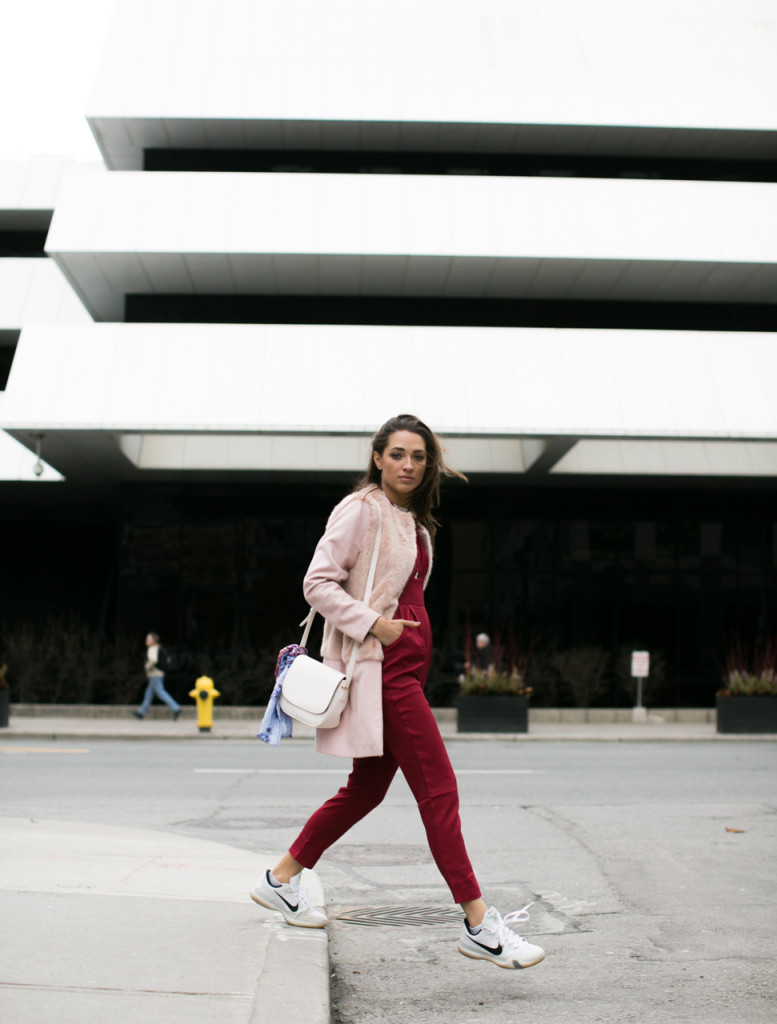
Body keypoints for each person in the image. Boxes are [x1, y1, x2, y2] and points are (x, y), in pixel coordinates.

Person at [250, 414, 545, 970]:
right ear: (378, 458)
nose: (408, 464)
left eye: (419, 456)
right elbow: (317, 580)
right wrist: (372, 624)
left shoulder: (415, 525)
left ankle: (280, 879)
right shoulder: (361, 510)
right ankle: (480, 924)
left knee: (366, 790)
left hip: (404, 669)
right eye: (398, 454)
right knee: (439, 790)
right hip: (382, 670)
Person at [133, 632, 181, 721]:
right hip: (157, 674)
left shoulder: (152, 649)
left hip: (155, 674)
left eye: (148, 639)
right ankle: (141, 713)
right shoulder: (159, 647)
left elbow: (153, 660)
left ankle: (176, 708)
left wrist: (147, 667)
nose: (146, 641)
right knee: (148, 694)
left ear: (152, 641)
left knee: (160, 693)